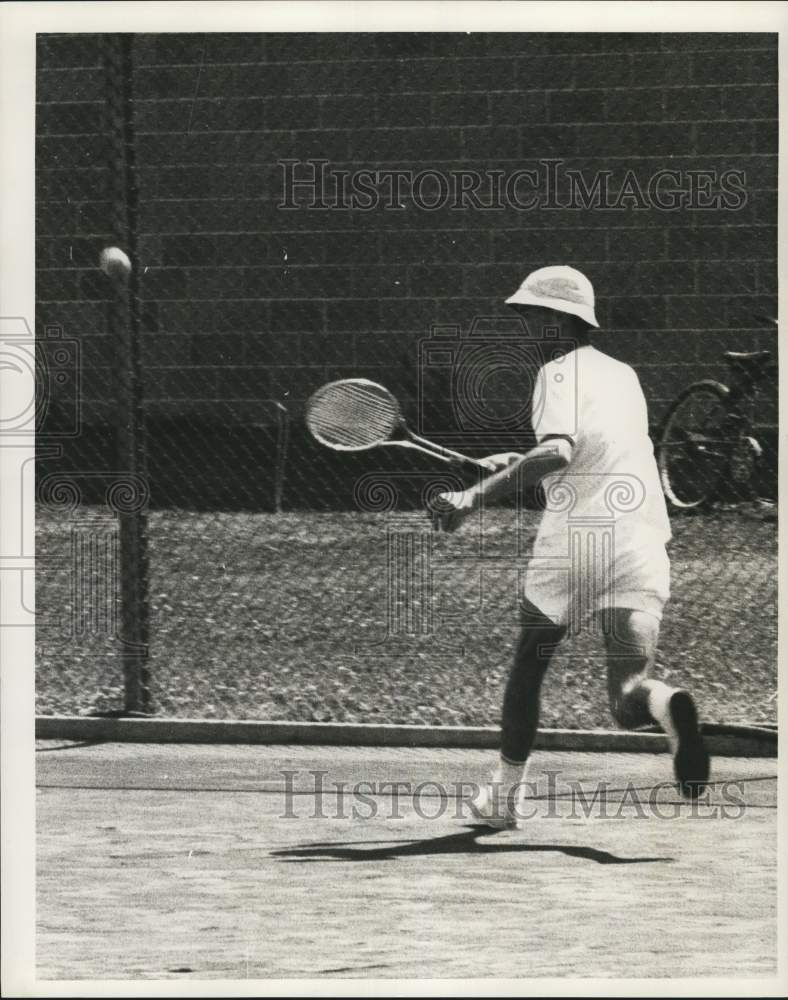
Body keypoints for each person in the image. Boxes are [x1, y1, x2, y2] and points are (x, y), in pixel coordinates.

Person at [433, 265, 711, 829]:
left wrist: (472, 497)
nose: (526, 325)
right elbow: (590, 456)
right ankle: (668, 704)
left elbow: (559, 453)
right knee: (628, 697)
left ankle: (506, 798)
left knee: (528, 667)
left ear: (559, 319)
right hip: (640, 538)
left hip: (577, 541)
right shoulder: (624, 375)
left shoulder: (556, 373)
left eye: (532, 314)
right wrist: (513, 467)